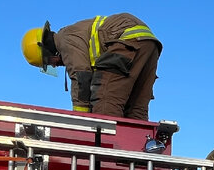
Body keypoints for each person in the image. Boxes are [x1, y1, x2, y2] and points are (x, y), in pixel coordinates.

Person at [20, 14, 161, 120]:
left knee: (105, 101)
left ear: (47, 49)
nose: (54, 64)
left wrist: (80, 119)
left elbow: (82, 76)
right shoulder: (74, 33)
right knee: (136, 109)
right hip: (149, 44)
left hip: (126, 40)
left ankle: (107, 154)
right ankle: (136, 155)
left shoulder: (65, 40)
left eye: (49, 61)